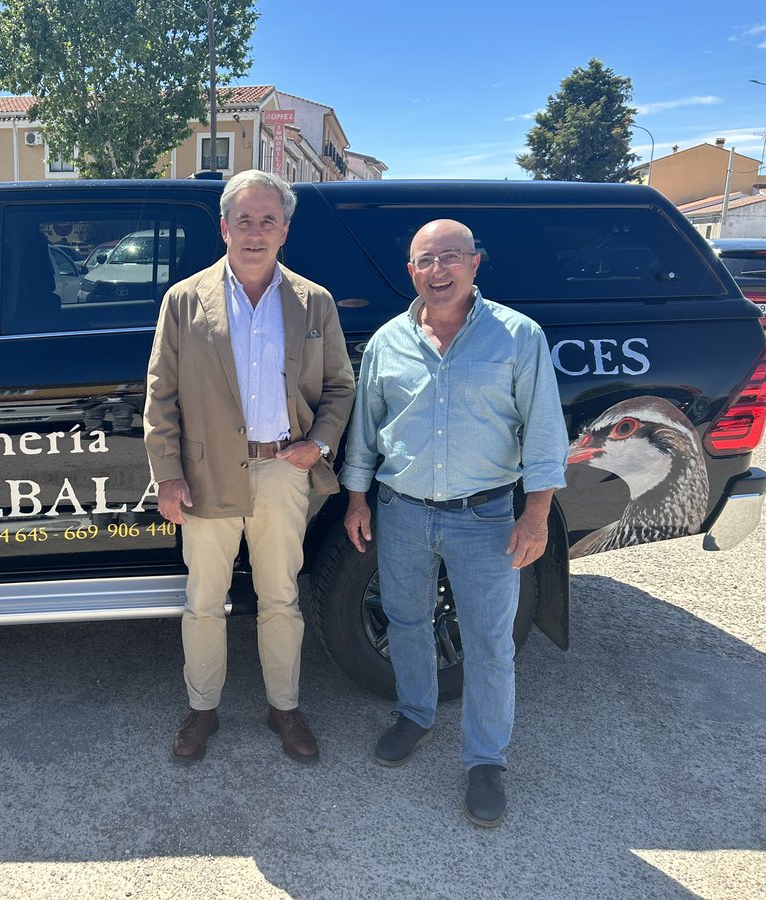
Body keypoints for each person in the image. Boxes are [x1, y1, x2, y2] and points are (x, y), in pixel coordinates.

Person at [340, 219, 568, 826]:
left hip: (486, 516)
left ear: (475, 264)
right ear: (410, 272)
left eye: (450, 257)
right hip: (402, 511)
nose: (437, 270)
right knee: (407, 620)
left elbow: (545, 432)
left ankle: (486, 761)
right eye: (424, 260)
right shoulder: (388, 342)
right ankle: (415, 715)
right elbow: (367, 429)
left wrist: (537, 514)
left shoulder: (518, 337)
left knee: (490, 643)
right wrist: (357, 499)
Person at [144, 170, 354, 764]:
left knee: (281, 597)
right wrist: (168, 473)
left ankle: (284, 707)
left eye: (268, 220)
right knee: (204, 600)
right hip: (207, 476)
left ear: (285, 229)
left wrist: (318, 443)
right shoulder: (185, 300)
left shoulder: (314, 301)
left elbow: (340, 385)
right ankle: (202, 709)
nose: (255, 232)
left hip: (284, 473)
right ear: (223, 226)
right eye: (244, 219)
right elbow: (160, 393)